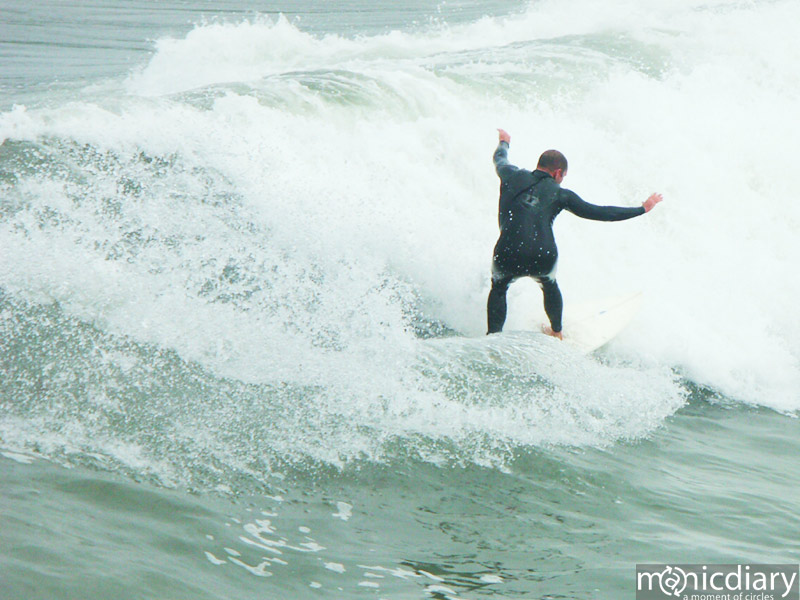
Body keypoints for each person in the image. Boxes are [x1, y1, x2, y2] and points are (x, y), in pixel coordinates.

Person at [487, 128, 662, 339]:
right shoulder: (561, 194)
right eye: (563, 176)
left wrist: (504, 142)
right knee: (549, 284)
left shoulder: (511, 174)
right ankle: (556, 332)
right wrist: (641, 209)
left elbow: (500, 158)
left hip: (508, 250)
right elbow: (601, 212)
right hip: (542, 255)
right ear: (557, 172)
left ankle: (492, 339)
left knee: (499, 287)